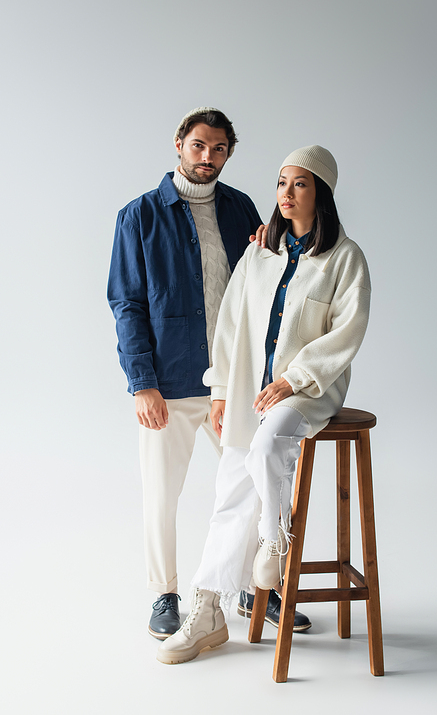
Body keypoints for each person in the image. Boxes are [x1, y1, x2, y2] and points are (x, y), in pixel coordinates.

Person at [156, 144, 371, 665]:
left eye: (300, 183)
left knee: (270, 441)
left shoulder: (345, 259)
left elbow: (347, 332)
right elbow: (230, 324)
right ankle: (207, 610)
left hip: (309, 391)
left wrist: (295, 379)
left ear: (321, 192)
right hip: (251, 386)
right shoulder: (260, 252)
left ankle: (274, 543)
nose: (287, 193)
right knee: (230, 486)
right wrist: (222, 390)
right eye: (281, 183)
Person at [107, 108, 311, 640]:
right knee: (161, 493)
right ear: (179, 144)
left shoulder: (242, 208)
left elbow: (268, 283)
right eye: (199, 145)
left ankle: (250, 589)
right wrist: (142, 383)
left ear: (228, 154)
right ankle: (165, 595)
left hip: (234, 382)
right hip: (169, 382)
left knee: (253, 486)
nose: (207, 156)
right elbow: (127, 303)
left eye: (218, 149)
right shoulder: (140, 216)